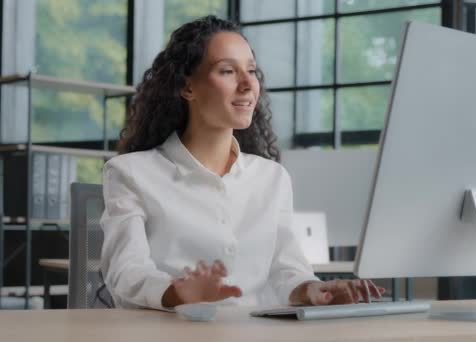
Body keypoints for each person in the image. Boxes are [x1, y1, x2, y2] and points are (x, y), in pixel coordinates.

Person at [100, 15, 384, 311]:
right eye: (227, 71)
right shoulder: (130, 173)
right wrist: (180, 292)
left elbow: (286, 271)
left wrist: (314, 290)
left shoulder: (272, 177)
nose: (249, 84)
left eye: (251, 71)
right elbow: (125, 273)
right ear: (187, 87)